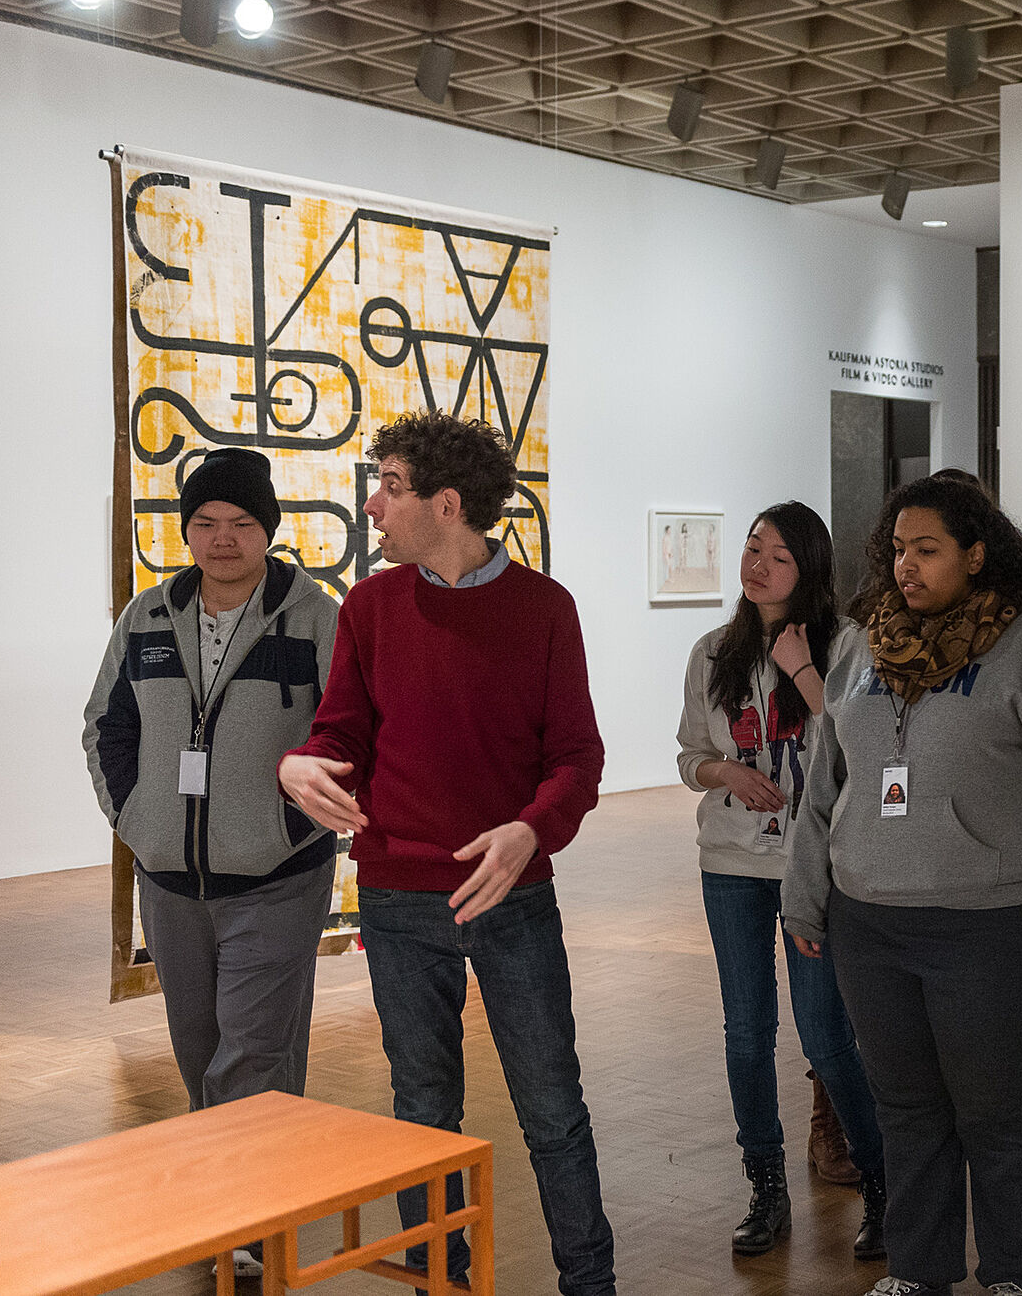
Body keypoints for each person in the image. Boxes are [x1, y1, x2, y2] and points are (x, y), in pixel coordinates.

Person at [279, 413, 614, 1296]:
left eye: (389, 484)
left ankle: (591, 1283)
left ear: (447, 502)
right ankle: (443, 1283)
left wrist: (532, 827)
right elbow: (340, 728)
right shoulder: (371, 607)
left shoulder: (546, 608)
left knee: (553, 1112)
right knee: (422, 1117)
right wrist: (300, 761)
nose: (373, 505)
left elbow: (577, 755)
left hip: (511, 894)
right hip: (398, 897)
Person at [783, 475, 1022, 1296]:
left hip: (999, 928)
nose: (906, 565)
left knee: (1002, 1119)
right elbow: (828, 776)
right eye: (898, 549)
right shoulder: (862, 646)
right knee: (908, 1114)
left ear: (976, 554)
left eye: (927, 549)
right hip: (872, 923)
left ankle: (1013, 1277)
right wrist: (804, 887)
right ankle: (919, 1273)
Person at [82, 448, 340, 1277]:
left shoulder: (317, 618)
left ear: (268, 530)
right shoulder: (148, 615)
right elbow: (105, 726)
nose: (222, 539)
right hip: (170, 878)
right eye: (205, 524)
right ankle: (240, 1187)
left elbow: (349, 734)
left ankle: (251, 1214)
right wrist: (136, 817)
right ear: (186, 530)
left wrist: (295, 823)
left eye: (240, 524)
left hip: (277, 873)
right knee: (198, 1046)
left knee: (253, 1050)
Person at [676, 502, 886, 1259]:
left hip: (815, 867)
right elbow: (688, 753)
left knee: (829, 1037)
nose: (757, 564)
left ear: (810, 569)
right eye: (752, 548)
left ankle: (881, 1182)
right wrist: (722, 768)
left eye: (779, 555)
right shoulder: (711, 651)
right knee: (744, 1034)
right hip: (731, 864)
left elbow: (860, 738)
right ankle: (765, 1189)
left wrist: (801, 668)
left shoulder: (848, 644)